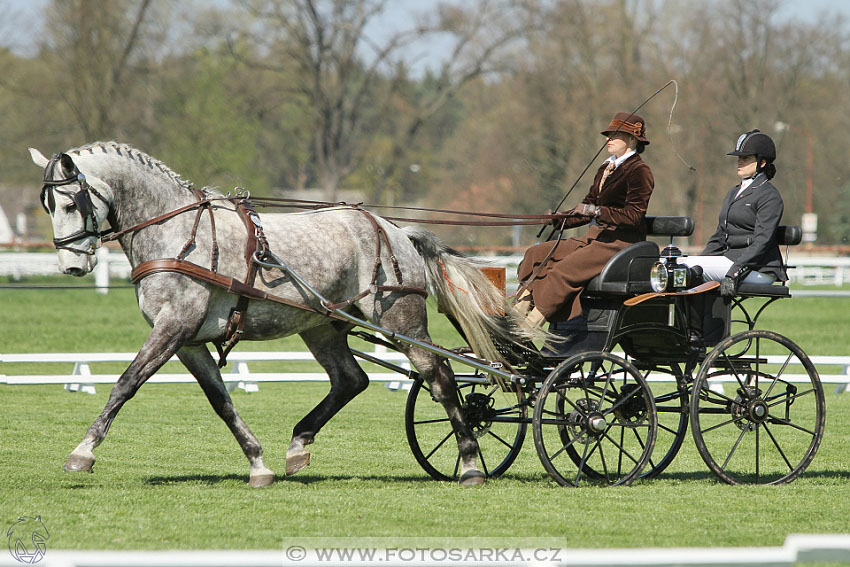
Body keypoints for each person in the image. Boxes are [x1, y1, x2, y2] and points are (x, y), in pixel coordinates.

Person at [514, 111, 655, 327]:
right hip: (595, 238)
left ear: (632, 139)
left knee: (561, 270)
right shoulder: (605, 168)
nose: (608, 139)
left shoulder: (639, 170)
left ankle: (528, 328)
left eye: (615, 135)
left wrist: (598, 212)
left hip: (619, 243)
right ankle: (517, 313)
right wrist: (558, 220)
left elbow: (634, 216)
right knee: (536, 254)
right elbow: (587, 205)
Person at [680, 129, 786, 297]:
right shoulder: (733, 192)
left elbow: (762, 242)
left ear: (762, 162)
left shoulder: (769, 196)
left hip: (758, 268)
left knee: (686, 269)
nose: (739, 162)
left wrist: (735, 271)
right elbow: (720, 236)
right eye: (739, 158)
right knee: (680, 265)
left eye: (745, 158)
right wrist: (703, 260)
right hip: (729, 260)